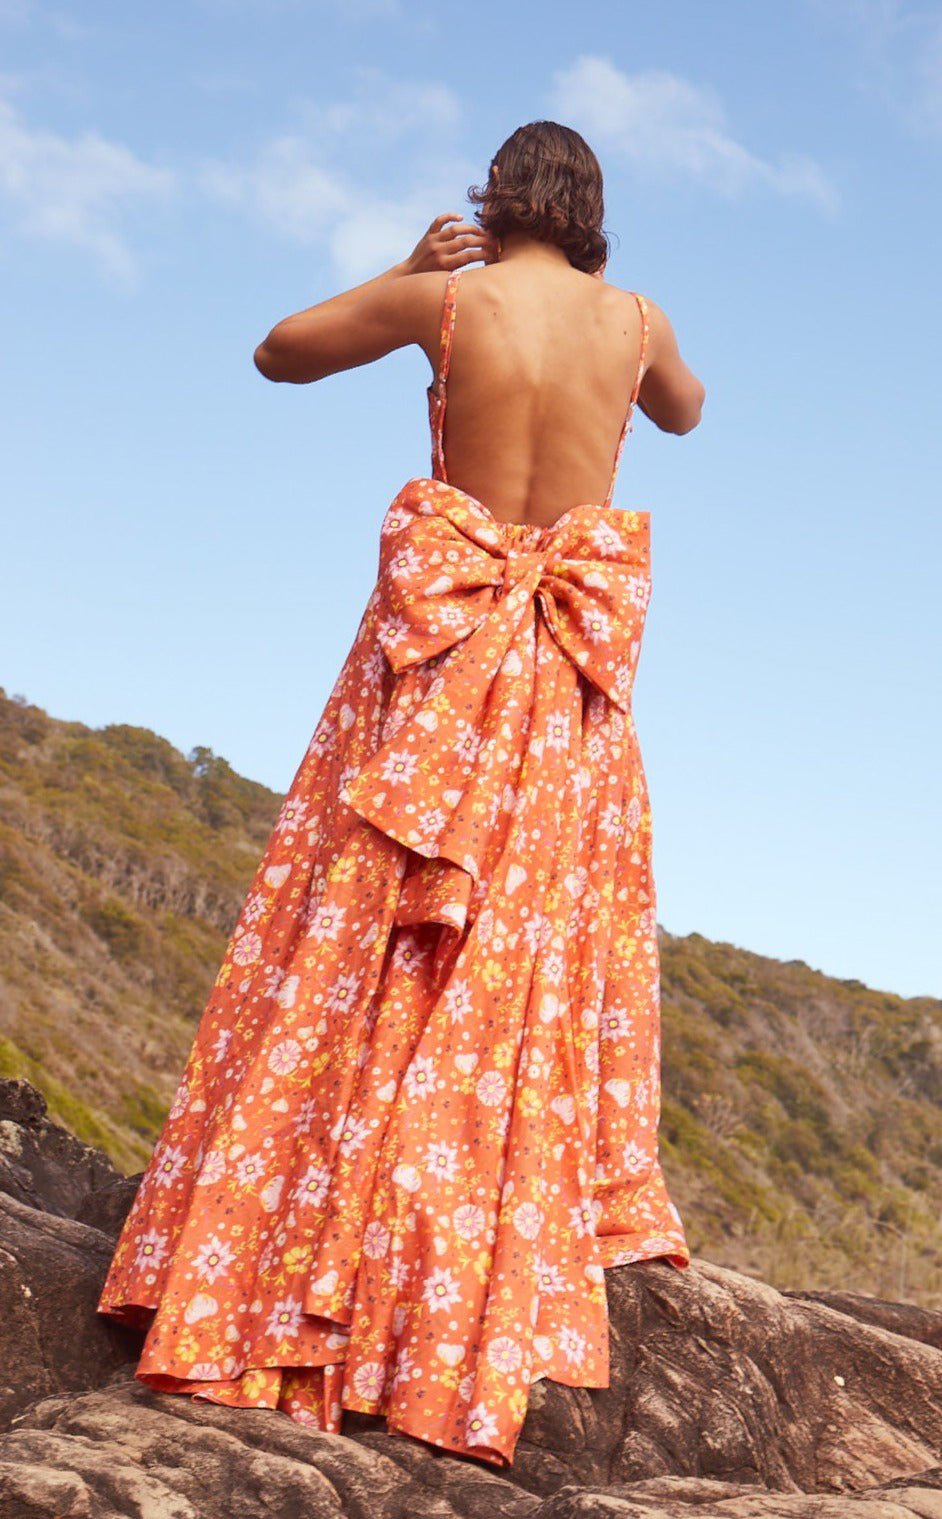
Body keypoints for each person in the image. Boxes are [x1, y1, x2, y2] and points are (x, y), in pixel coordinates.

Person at [97, 119, 705, 1469]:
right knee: (513, 972)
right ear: (590, 211)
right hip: (556, 687)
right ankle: (445, 1296)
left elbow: (279, 349)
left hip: (433, 673)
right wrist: (633, 351)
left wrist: (405, 262)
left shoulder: (446, 298)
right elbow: (685, 408)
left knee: (361, 943)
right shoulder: (637, 319)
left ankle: (296, 1266)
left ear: (495, 200)